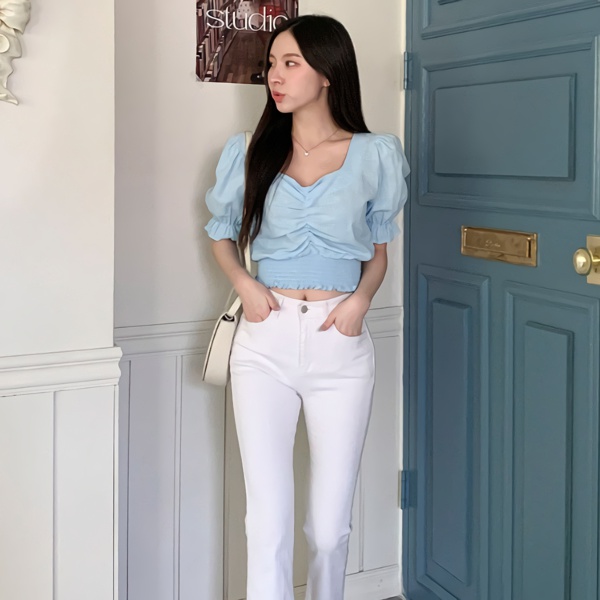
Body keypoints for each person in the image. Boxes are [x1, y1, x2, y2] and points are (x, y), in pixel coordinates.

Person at [204, 14, 410, 600]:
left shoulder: (374, 155)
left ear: (328, 73)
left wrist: (361, 302)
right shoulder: (251, 151)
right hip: (263, 344)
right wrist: (245, 284)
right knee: (266, 523)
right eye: (271, 63)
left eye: (290, 63)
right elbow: (220, 235)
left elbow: (378, 255)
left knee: (328, 528)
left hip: (338, 344)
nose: (275, 75)